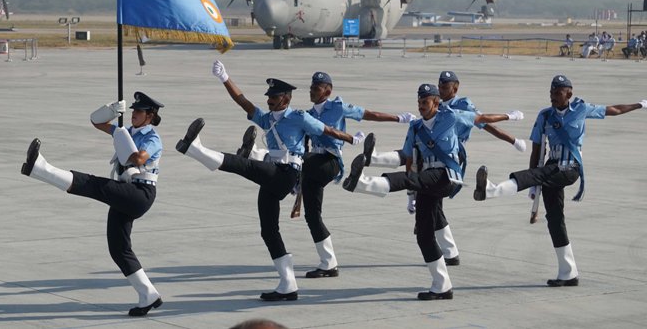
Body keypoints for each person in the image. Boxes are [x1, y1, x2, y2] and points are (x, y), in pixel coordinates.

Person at [176, 60, 362, 301]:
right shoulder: (267, 119)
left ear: (285, 98)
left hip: (287, 173)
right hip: (272, 175)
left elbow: (326, 130)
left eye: (273, 97)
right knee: (268, 230)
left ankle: (197, 150)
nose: (268, 100)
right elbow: (243, 101)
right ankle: (288, 285)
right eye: (268, 97)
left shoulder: (299, 117)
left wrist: (350, 138)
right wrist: (225, 78)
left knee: (244, 165)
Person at [342, 83, 523, 300]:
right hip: (427, 181)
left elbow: (482, 119)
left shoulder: (452, 117)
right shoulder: (416, 127)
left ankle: (361, 183)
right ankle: (442, 285)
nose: (420, 106)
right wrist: (411, 196)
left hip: (448, 176)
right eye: (419, 102)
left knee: (412, 180)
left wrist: (509, 116)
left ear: (436, 103)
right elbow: (409, 159)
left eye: (425, 102)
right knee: (424, 236)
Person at [473, 75, 646, 287]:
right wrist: (533, 189)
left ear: (569, 94)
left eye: (557, 93)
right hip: (550, 169)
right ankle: (568, 272)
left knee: (543, 174)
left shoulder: (581, 109)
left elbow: (614, 110)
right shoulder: (545, 116)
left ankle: (492, 190)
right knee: (555, 219)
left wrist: (640, 104)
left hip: (570, 167)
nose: (553, 97)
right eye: (551, 93)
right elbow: (537, 151)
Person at [20, 92, 165, 317]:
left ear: (150, 116)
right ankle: (148, 294)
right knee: (118, 248)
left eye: (139, 111)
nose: (134, 113)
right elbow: (96, 122)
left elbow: (139, 159)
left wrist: (123, 138)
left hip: (140, 193)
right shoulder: (124, 131)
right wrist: (112, 111)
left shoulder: (152, 137)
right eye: (133, 110)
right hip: (125, 191)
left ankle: (40, 168)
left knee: (95, 185)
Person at [300, 71, 415, 279]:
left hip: (330, 161)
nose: (312, 91)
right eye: (311, 87)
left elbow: (370, 114)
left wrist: (398, 118)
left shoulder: (338, 107)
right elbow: (304, 146)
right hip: (312, 166)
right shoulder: (307, 115)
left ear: (328, 90)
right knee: (312, 216)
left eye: (316, 88)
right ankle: (328, 264)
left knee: (299, 162)